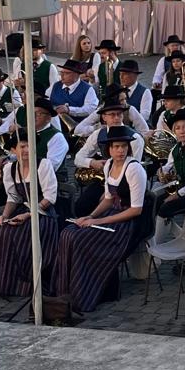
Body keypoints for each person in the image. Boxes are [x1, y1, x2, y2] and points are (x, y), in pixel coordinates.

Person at [53, 123, 145, 314]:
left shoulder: (134, 169)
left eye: (124, 147)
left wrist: (97, 221)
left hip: (127, 223)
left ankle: (87, 293)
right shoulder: (109, 165)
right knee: (68, 233)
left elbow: (136, 210)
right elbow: (109, 199)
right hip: (111, 215)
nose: (120, 151)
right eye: (116, 147)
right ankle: (66, 291)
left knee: (80, 240)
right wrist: (91, 215)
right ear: (109, 149)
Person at [0, 129, 59, 297]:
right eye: (22, 147)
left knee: (22, 234)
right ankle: (3, 282)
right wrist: (5, 216)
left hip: (42, 213)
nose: (26, 150)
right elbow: (13, 197)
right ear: (14, 150)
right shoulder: (10, 168)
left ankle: (27, 283)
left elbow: (50, 198)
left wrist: (28, 214)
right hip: (21, 209)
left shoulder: (43, 165)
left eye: (28, 146)